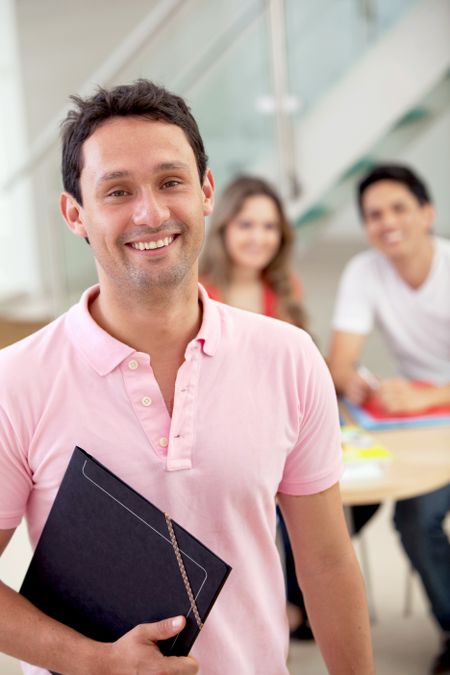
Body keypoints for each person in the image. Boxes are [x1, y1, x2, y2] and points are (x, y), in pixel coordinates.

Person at [0, 79, 374, 675]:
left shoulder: (289, 357)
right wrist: (93, 661)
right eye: (117, 191)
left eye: (170, 181)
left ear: (205, 191)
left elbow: (326, 563)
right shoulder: (16, 380)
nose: (150, 212)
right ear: (76, 214)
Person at [328, 163, 450, 675]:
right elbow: (338, 364)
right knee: (411, 518)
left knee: (415, 518)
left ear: (427, 213)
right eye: (374, 215)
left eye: (399, 208)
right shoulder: (365, 271)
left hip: (431, 412)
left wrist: (429, 396)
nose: (387, 222)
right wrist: (353, 379)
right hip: (417, 429)